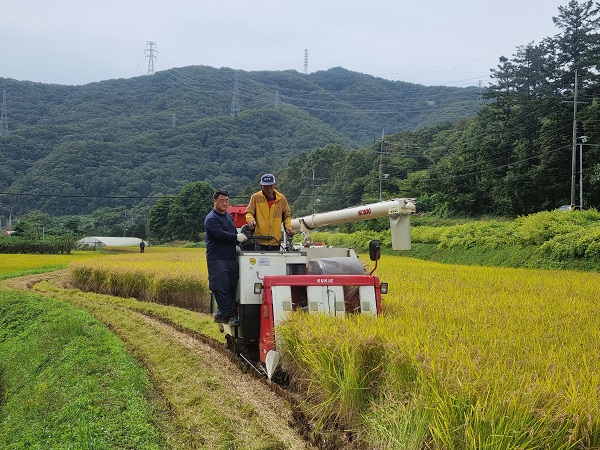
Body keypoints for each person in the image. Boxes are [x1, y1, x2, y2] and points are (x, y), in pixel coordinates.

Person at [204, 190, 247, 327]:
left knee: (232, 287)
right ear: (215, 201)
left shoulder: (228, 217)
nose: (224, 203)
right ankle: (230, 316)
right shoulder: (211, 218)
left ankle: (220, 313)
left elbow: (232, 232)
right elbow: (219, 234)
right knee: (220, 287)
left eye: (226, 201)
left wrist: (240, 242)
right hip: (217, 258)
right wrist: (236, 237)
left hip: (230, 256)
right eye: (221, 201)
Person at [245, 173, 295, 250]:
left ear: (275, 185)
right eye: (266, 187)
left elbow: (287, 216)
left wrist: (288, 227)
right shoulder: (255, 197)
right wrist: (250, 219)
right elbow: (249, 212)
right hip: (259, 241)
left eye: (270, 186)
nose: (268, 189)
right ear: (261, 186)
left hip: (275, 241)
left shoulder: (281, 199)